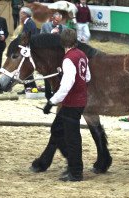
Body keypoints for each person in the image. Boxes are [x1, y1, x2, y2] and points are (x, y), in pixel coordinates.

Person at [43, 29, 91, 182]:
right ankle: (72, 165)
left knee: (72, 138)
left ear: (62, 42)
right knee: (57, 129)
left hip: (72, 103)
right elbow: (87, 77)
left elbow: (66, 86)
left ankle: (76, 172)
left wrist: (52, 101)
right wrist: (65, 74)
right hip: (80, 101)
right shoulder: (82, 55)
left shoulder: (68, 59)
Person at [40, 11, 68, 100]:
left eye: (59, 21)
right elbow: (40, 39)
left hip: (59, 55)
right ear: (52, 18)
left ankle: (58, 93)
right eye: (56, 21)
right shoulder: (45, 26)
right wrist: (51, 33)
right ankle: (48, 95)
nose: (57, 23)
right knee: (47, 74)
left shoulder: (64, 28)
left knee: (60, 74)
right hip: (47, 55)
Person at [17, 6, 38, 94]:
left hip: (28, 48)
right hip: (26, 48)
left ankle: (32, 87)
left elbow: (30, 37)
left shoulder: (29, 23)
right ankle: (28, 87)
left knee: (27, 68)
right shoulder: (27, 23)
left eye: (21, 13)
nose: (20, 14)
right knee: (25, 68)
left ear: (25, 14)